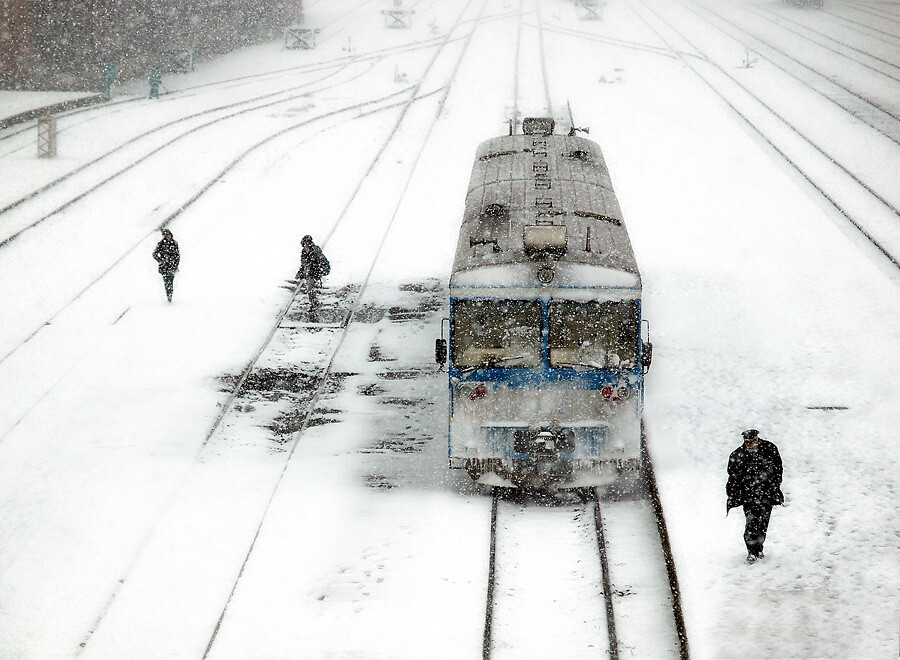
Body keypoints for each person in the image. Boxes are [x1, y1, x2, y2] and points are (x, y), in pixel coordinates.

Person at [726, 429, 784, 563]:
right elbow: (733, 477)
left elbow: (778, 469)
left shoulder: (769, 449)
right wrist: (733, 493)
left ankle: (759, 548)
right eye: (747, 442)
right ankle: (752, 550)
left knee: (763, 523)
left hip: (766, 494)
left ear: (757, 439)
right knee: (751, 523)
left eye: (752, 441)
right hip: (749, 496)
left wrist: (773, 486)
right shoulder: (738, 455)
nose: (749, 445)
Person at [296, 235, 329, 309]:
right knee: (309, 287)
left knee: (310, 287)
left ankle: (314, 302)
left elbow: (321, 259)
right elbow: (303, 263)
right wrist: (300, 272)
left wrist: (321, 270)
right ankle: (313, 301)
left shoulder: (315, 249)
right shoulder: (305, 251)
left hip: (314, 271)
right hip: (309, 271)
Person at [152, 229, 180, 302]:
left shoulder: (174, 243)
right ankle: (168, 296)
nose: (168, 237)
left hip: (172, 266)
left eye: (169, 235)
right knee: (166, 282)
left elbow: (177, 255)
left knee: (170, 282)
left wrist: (176, 264)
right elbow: (154, 254)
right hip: (164, 266)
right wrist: (160, 260)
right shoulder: (161, 244)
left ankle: (170, 295)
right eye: (166, 236)